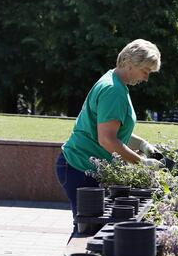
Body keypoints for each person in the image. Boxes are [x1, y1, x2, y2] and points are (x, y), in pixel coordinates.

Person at [56, 39, 163, 228]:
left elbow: (113, 131)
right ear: (131, 64)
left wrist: (141, 144)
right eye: (145, 71)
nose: (146, 78)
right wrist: (141, 162)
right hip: (80, 168)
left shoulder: (114, 82)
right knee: (88, 230)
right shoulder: (114, 91)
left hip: (79, 166)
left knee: (90, 228)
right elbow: (107, 139)